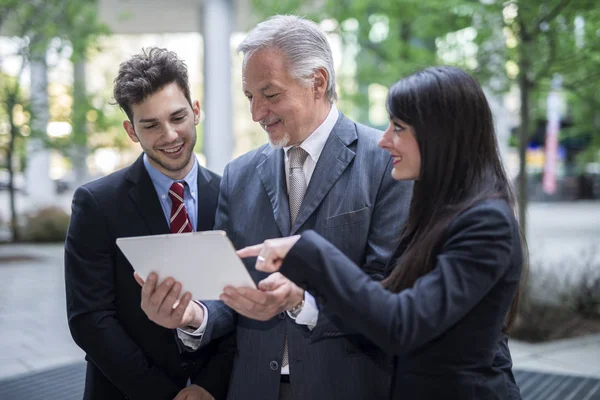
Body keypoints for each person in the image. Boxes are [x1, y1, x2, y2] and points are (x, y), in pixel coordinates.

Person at [139, 15, 412, 400]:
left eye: (269, 94)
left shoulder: (386, 163)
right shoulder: (239, 174)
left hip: (348, 386)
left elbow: (388, 291)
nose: (255, 113)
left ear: (317, 82)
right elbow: (227, 291)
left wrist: (305, 303)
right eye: (250, 97)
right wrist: (193, 316)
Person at [237, 66, 526, 400]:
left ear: (441, 135)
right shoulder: (438, 212)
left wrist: (309, 249)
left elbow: (401, 324)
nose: (385, 139)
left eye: (399, 128)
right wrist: (300, 299)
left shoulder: (486, 223)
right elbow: (380, 305)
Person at [64, 48, 232, 400]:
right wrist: (164, 395)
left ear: (196, 111)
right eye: (151, 125)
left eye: (177, 117)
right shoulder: (96, 203)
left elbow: (242, 304)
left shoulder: (234, 195)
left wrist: (209, 386)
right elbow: (90, 319)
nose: (169, 135)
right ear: (131, 130)